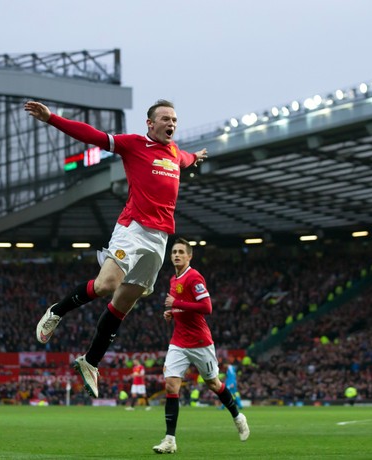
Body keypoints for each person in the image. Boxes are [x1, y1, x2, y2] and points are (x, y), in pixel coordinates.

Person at [26, 100, 207, 398]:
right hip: (133, 228)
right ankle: (57, 311)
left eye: (174, 119)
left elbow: (186, 158)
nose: (171, 123)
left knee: (124, 303)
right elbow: (93, 136)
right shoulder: (134, 145)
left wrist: (195, 156)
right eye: (165, 118)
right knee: (106, 284)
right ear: (150, 123)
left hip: (159, 239)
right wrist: (52, 119)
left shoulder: (176, 154)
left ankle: (90, 362)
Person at [153, 238, 249, 454]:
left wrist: (175, 304)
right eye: (174, 252)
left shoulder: (194, 277)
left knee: (214, 384)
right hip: (178, 341)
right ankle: (170, 440)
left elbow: (206, 307)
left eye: (181, 252)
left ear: (189, 256)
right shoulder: (172, 279)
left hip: (199, 342)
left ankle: (237, 416)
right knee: (171, 385)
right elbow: (182, 307)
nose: (176, 255)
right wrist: (172, 313)